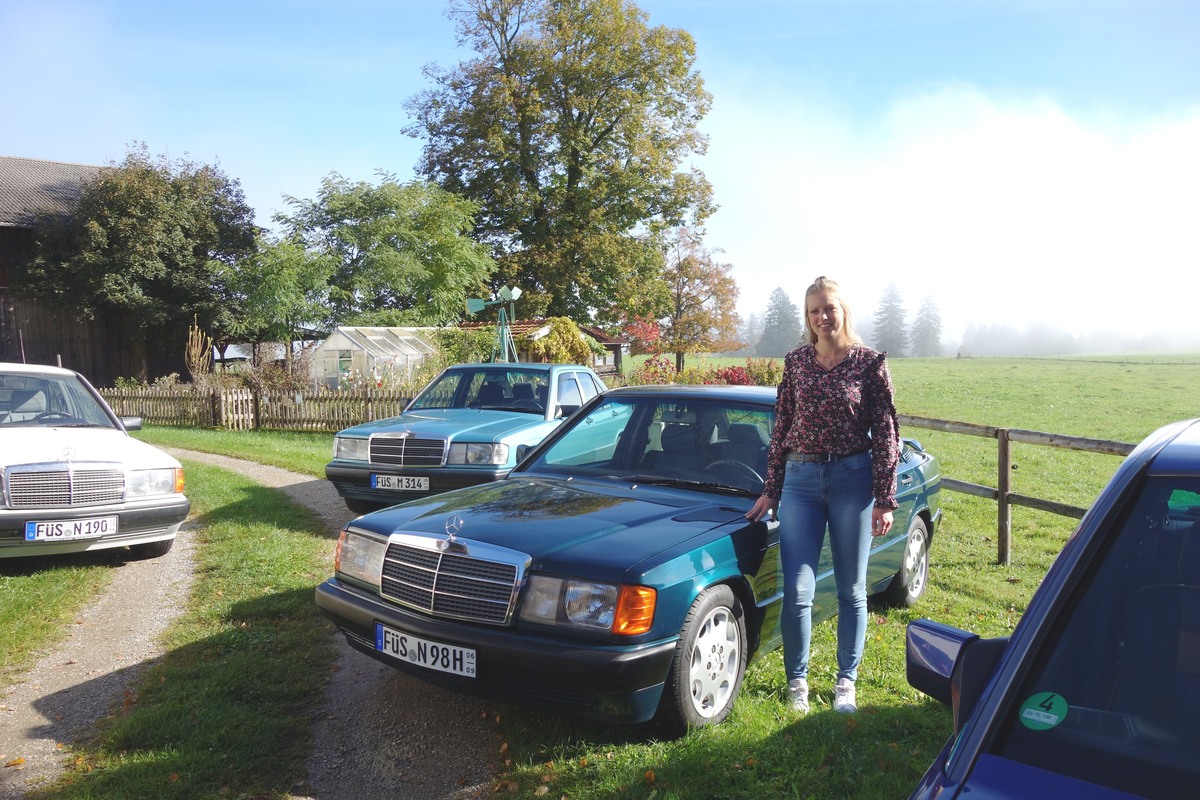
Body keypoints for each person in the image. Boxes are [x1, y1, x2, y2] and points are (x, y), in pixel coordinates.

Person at [746, 276, 900, 715]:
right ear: (807, 317)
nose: (822, 317)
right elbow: (781, 430)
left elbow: (886, 431)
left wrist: (885, 496)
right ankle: (798, 681)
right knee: (797, 590)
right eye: (814, 311)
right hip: (801, 480)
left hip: (853, 480)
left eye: (829, 308)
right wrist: (771, 489)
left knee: (852, 589)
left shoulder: (869, 364)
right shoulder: (796, 363)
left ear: (843, 311)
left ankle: (845, 682)